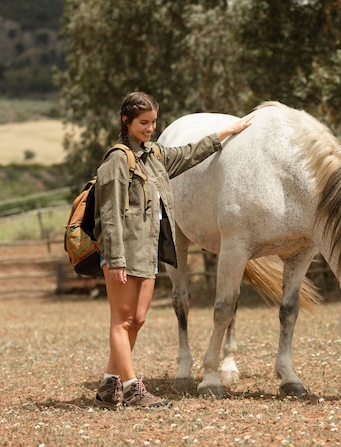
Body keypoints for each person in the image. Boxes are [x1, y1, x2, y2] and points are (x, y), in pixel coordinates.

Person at [92, 91, 253, 409]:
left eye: (153, 122)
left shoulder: (153, 155)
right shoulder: (116, 160)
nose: (150, 128)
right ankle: (132, 389)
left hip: (147, 253)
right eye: (143, 123)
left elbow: (192, 153)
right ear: (126, 121)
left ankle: (108, 386)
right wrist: (115, 258)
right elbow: (108, 216)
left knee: (136, 320)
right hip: (122, 253)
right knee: (121, 322)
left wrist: (229, 132)